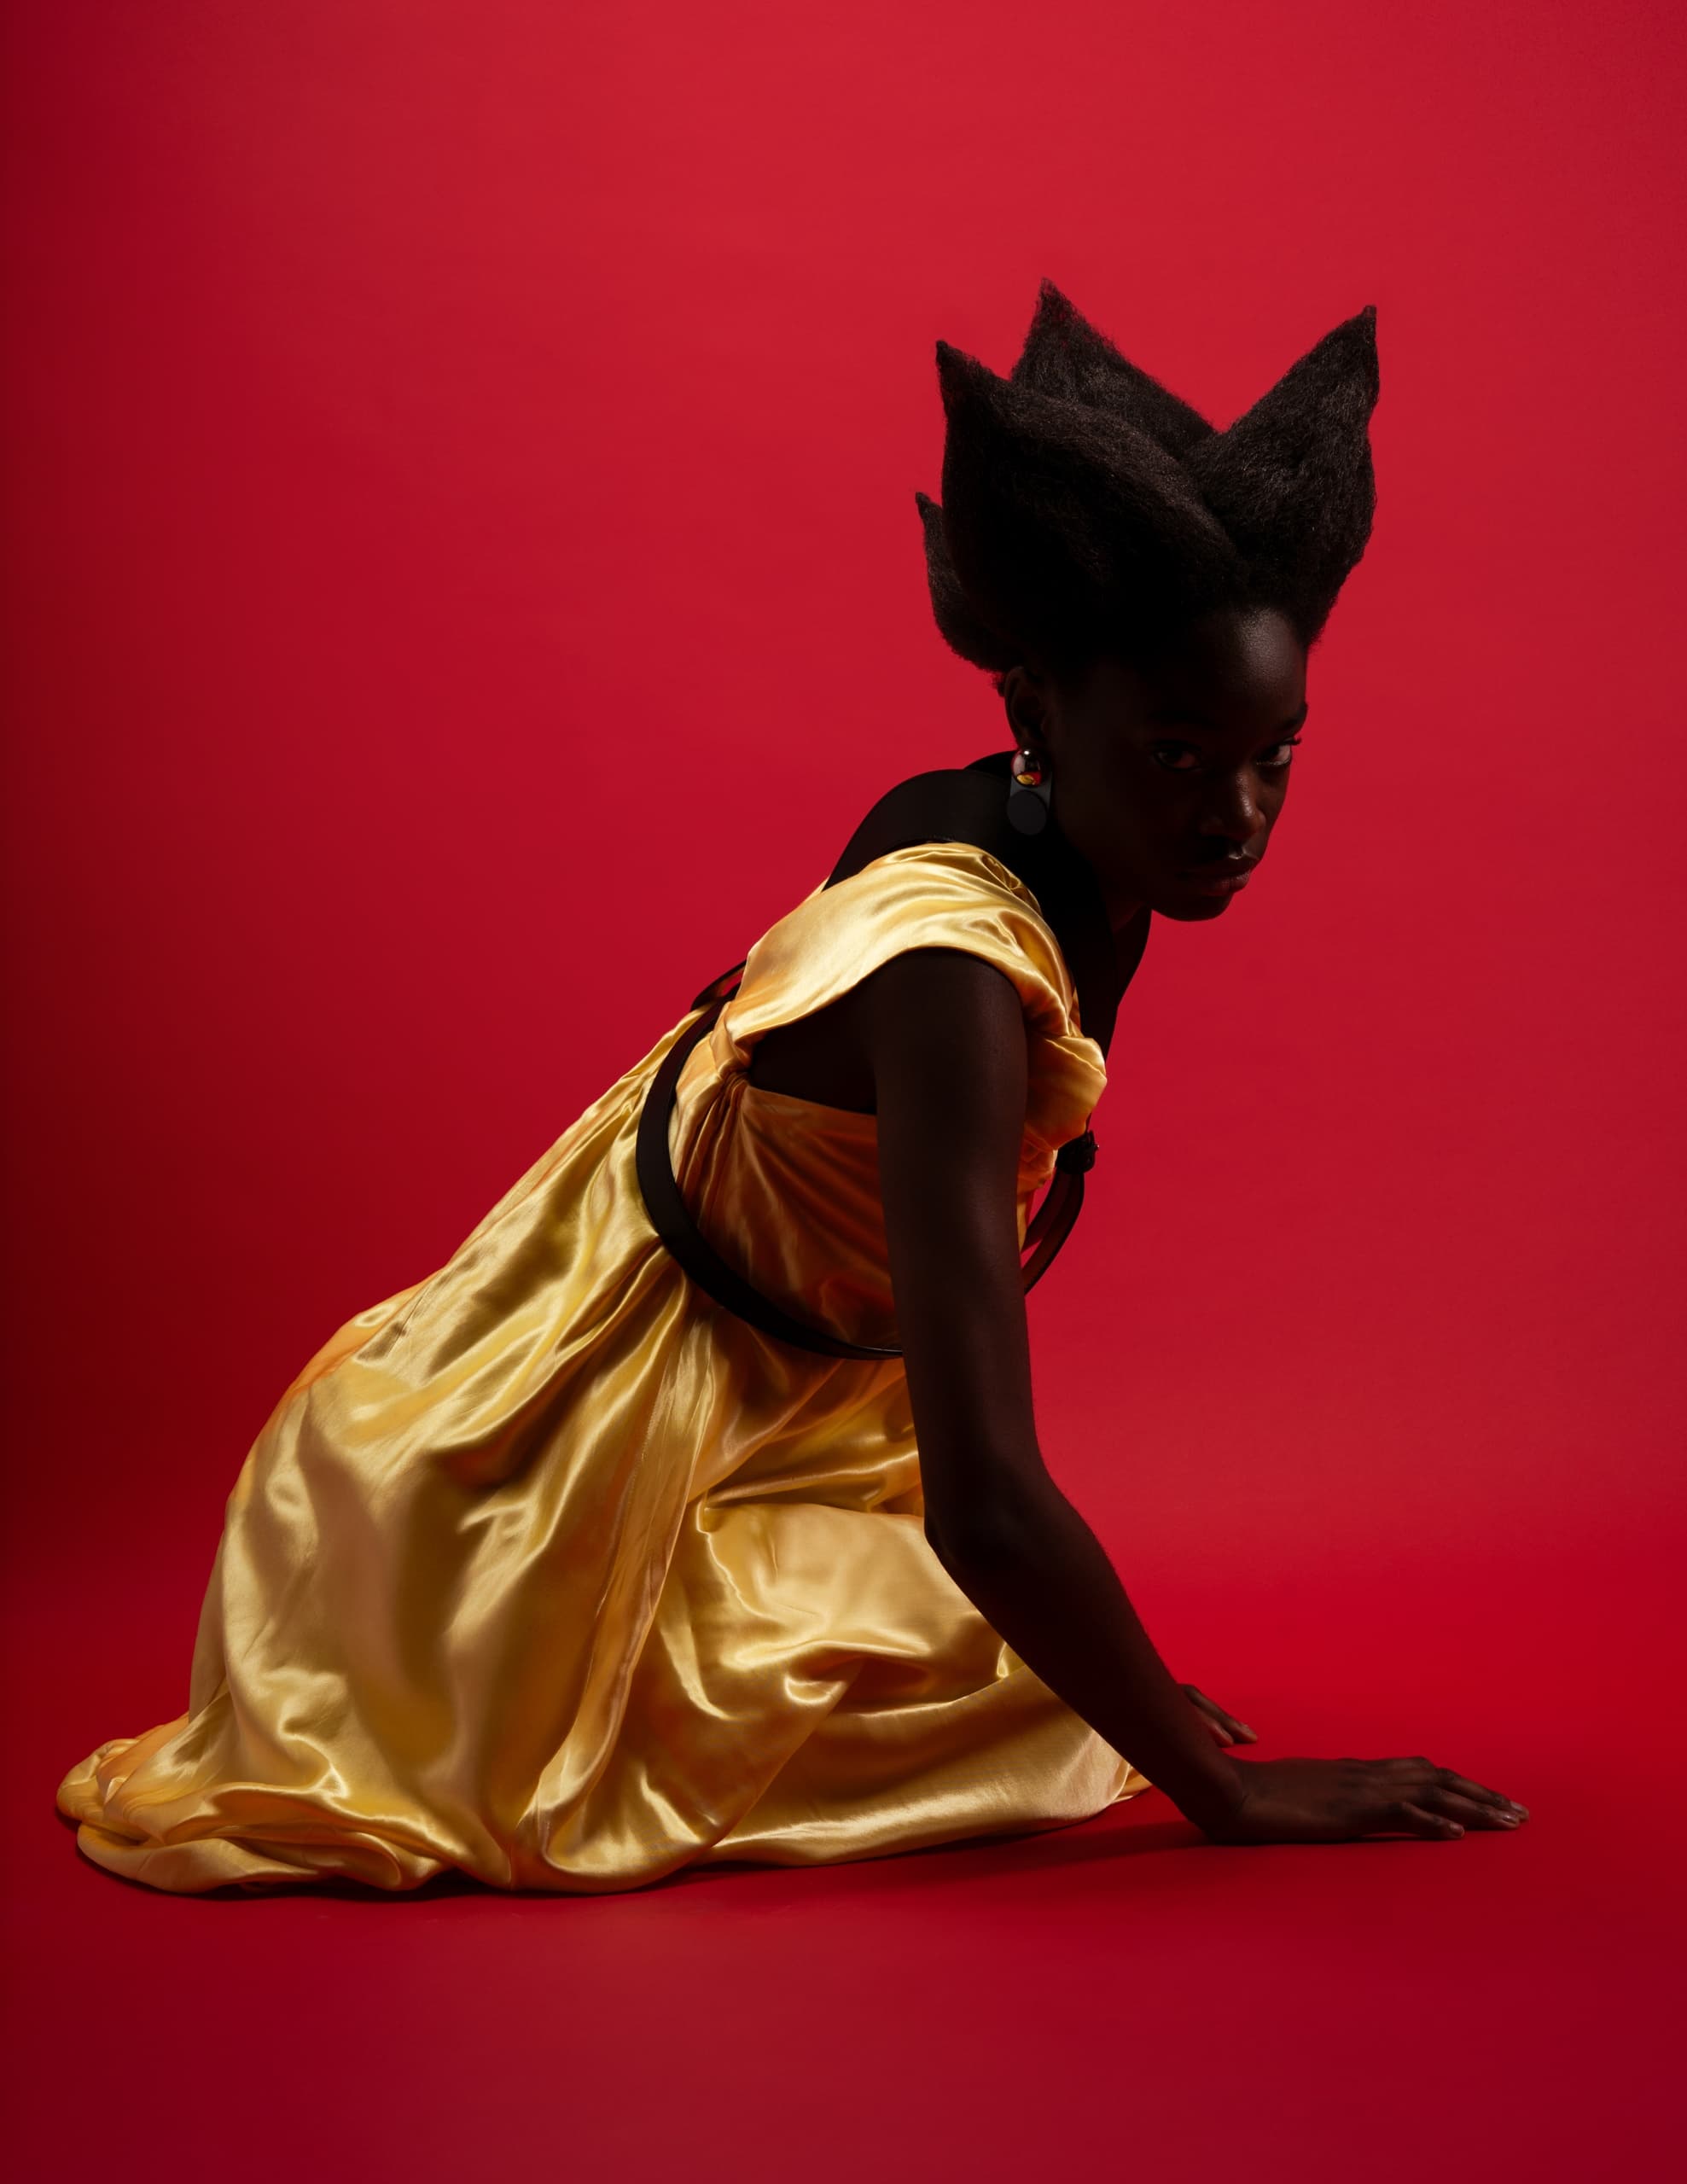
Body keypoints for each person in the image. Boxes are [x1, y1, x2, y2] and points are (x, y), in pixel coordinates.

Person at [55, 280, 1527, 1895]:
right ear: (1037, 709)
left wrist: (1073, 1674)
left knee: (1013, 1684)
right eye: (1180, 753)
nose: (1236, 813)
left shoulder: (1075, 851)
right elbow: (983, 1493)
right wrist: (1218, 1793)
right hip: (519, 1502)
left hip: (763, 1427)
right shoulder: (953, 975)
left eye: (1274, 755)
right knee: (1002, 1697)